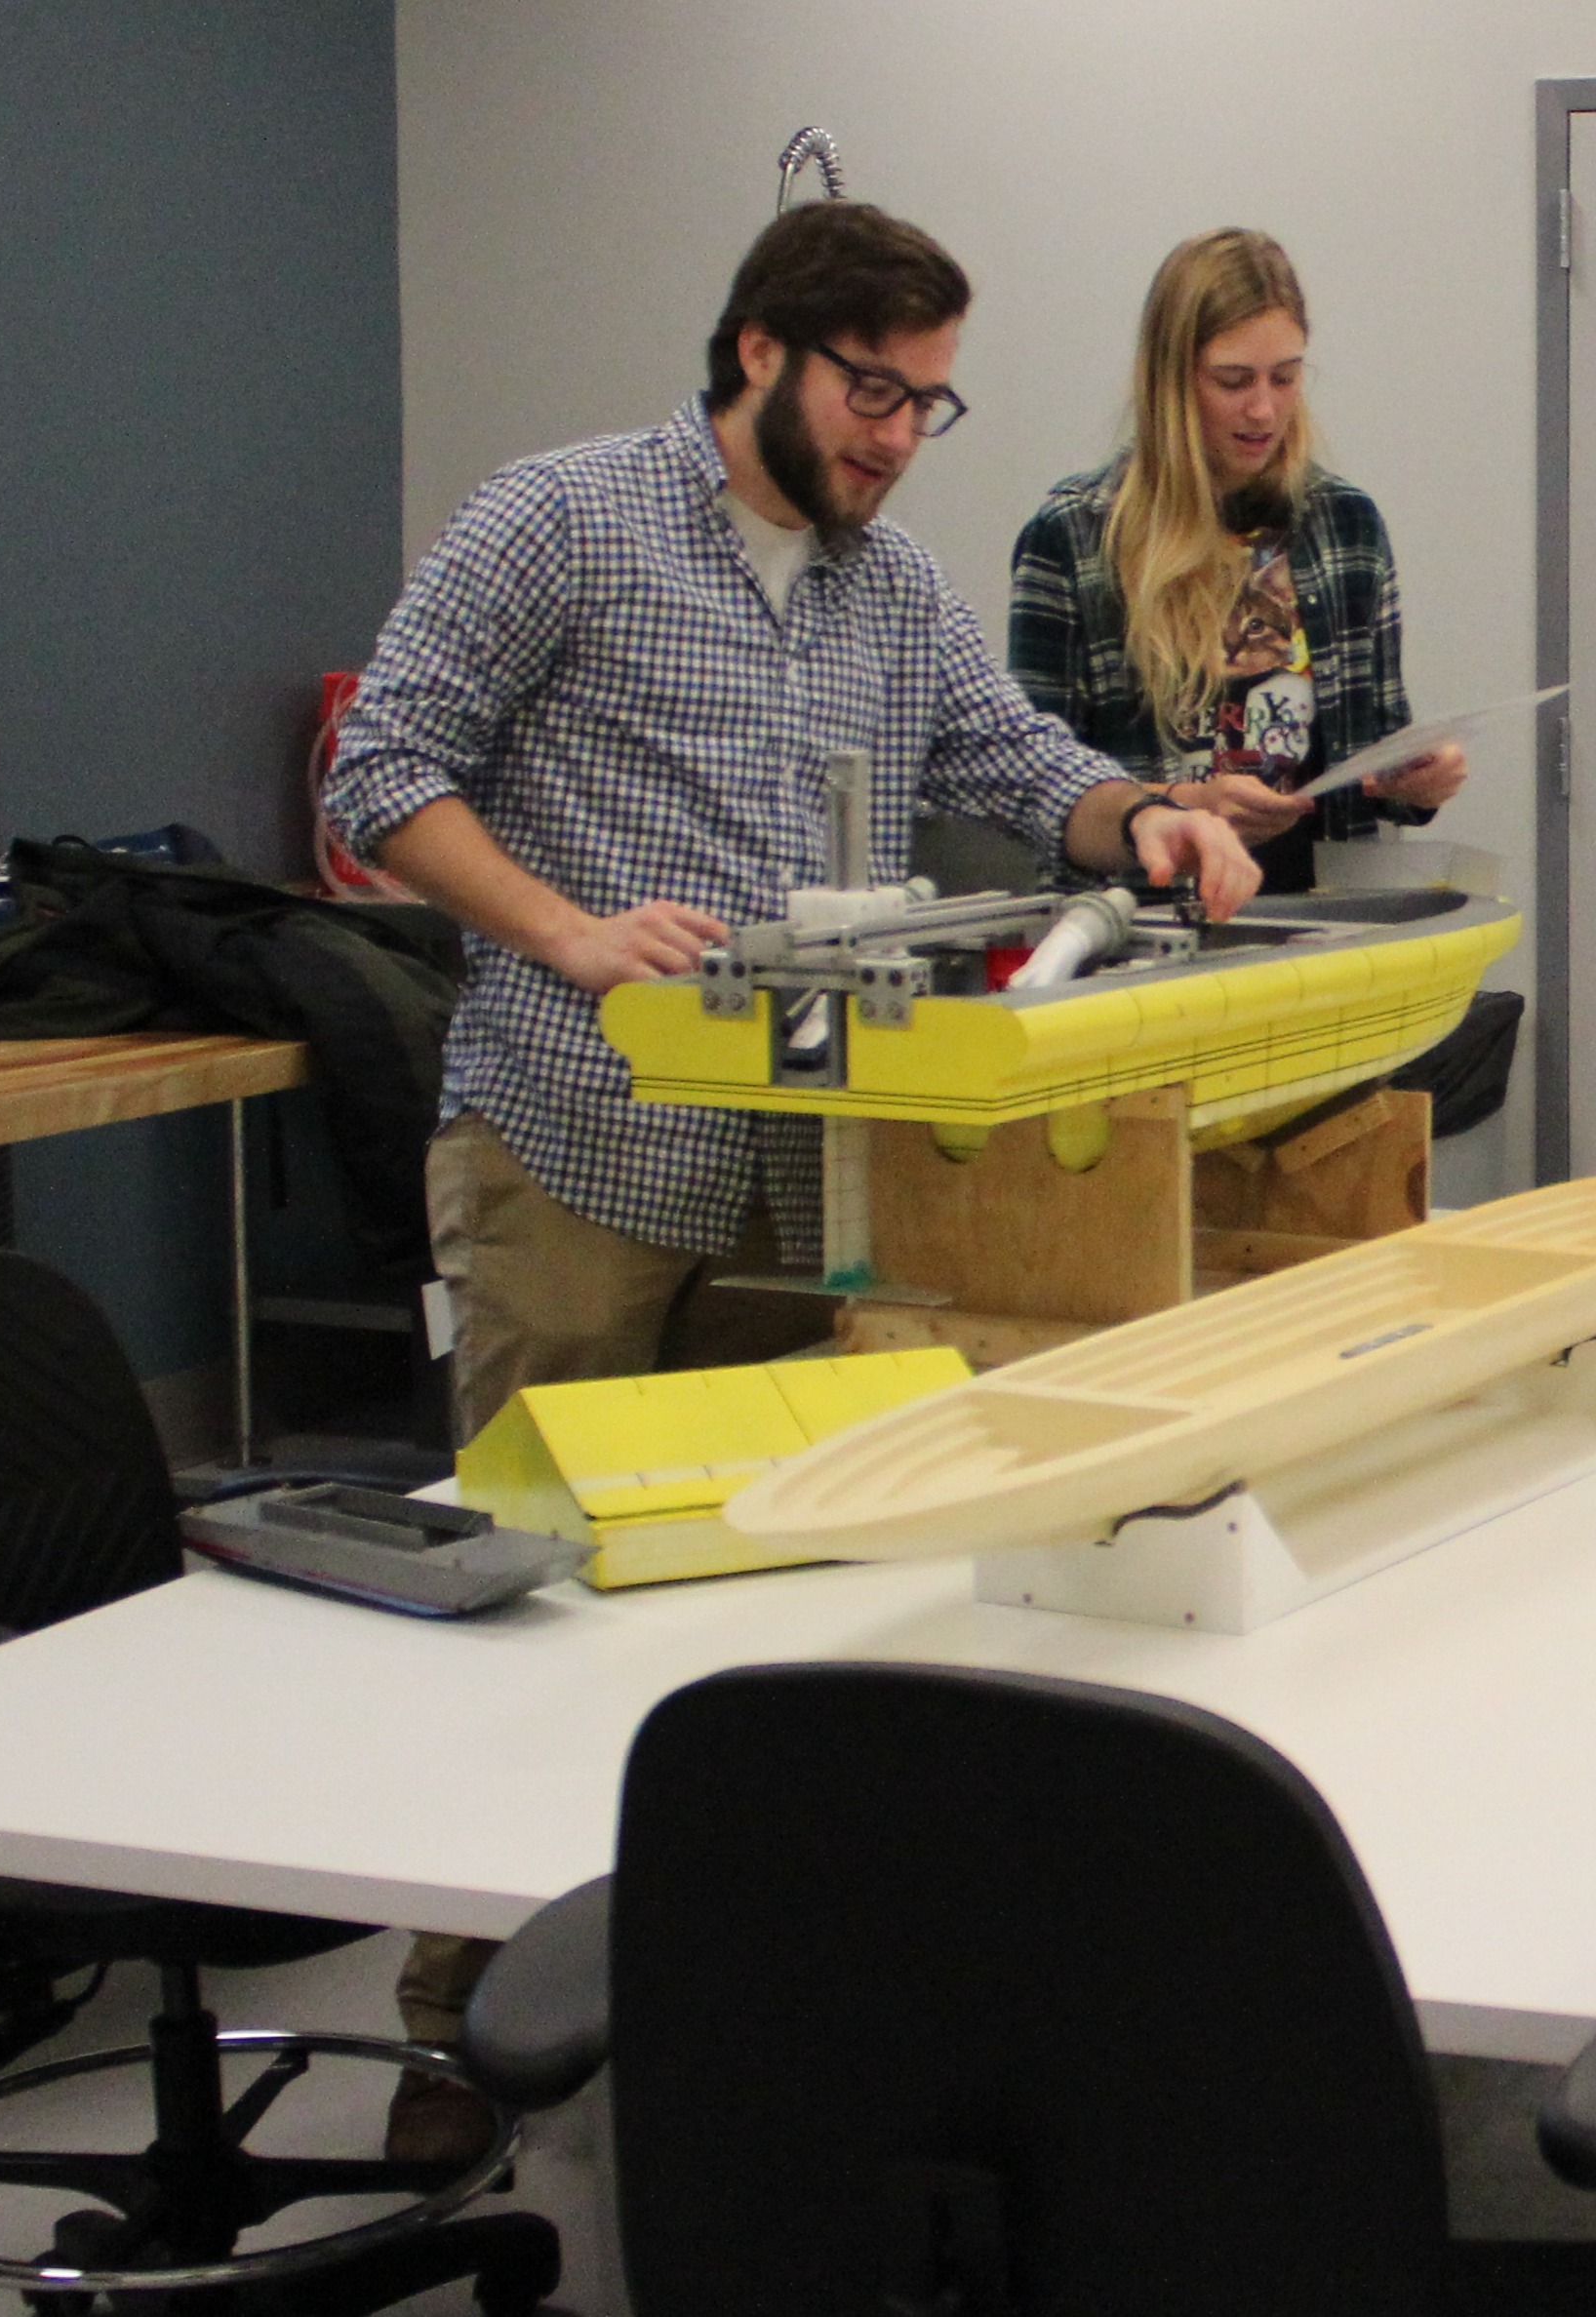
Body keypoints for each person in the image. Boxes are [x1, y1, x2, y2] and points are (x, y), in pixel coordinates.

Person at [316, 198, 1257, 2166]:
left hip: (801, 1158)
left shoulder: (885, 585)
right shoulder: (560, 519)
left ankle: (732, 2001)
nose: (898, 434)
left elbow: (1011, 753)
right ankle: (456, 2033)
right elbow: (381, 770)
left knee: (774, 1582)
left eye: (930, 400)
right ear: (756, 349)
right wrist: (565, 930)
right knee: (531, 1587)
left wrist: (1148, 808)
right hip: (576, 1137)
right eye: (870, 388)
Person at [1008, 227, 1466, 895]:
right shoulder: (1075, 536)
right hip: (1147, 936)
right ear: (1171, 381)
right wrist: (1183, 803)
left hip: (1321, 926)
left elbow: (1375, 758)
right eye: (1233, 381)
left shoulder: (1346, 527)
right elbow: (1032, 784)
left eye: (1285, 378)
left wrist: (1420, 783)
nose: (1263, 409)